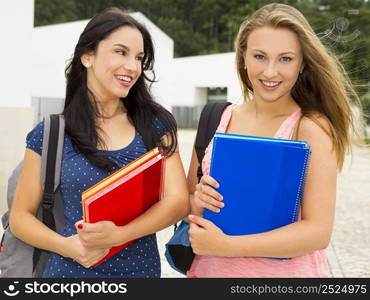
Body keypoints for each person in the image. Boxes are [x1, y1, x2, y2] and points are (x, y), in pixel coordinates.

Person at [9, 7, 189, 278]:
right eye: (121, 52)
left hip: (140, 273)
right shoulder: (51, 133)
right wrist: (67, 246)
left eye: (139, 58)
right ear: (87, 56)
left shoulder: (155, 125)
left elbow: (178, 202)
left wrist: (120, 235)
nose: (132, 66)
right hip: (68, 274)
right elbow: (20, 217)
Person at [186, 3, 360, 277]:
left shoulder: (310, 128)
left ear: (303, 63)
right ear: (243, 56)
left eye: (286, 59)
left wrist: (227, 246)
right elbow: (188, 202)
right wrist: (197, 202)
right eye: (259, 56)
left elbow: (318, 232)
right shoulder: (216, 118)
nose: (270, 72)